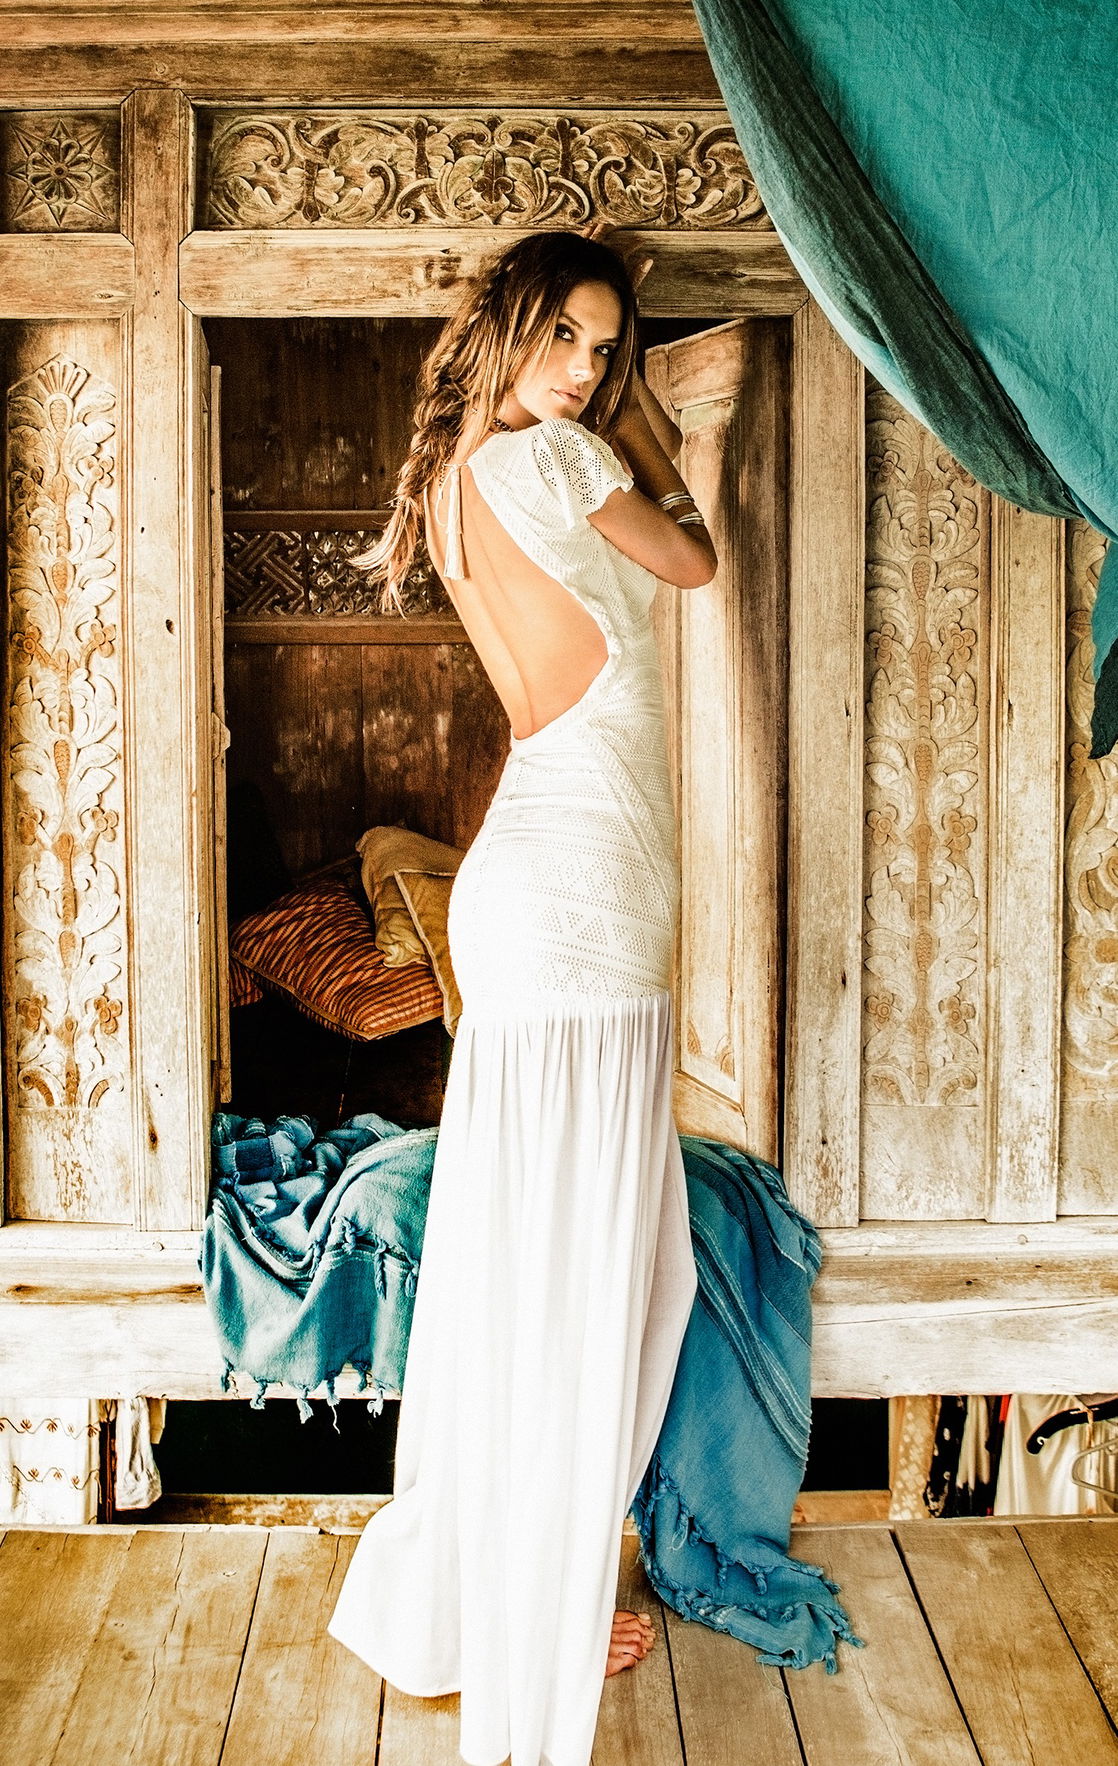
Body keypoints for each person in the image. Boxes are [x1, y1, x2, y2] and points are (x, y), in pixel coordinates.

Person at [327, 226, 719, 1766]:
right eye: (565, 335)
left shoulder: (448, 478)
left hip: (543, 885)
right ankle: (535, 1618)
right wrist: (640, 425)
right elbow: (692, 560)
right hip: (577, 894)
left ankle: (501, 1592)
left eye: (603, 351)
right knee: (594, 1278)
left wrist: (604, 409)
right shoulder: (561, 458)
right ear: (509, 327)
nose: (582, 368)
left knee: (546, 1267)